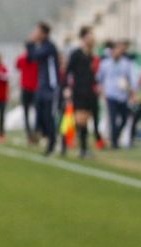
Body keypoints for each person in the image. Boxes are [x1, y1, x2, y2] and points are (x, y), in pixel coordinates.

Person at [25, 23, 62, 155]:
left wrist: (30, 43)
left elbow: (34, 56)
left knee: (50, 116)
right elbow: (30, 58)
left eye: (37, 31)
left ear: (44, 34)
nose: (35, 33)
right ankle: (43, 137)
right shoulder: (42, 47)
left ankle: (53, 143)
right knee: (40, 114)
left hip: (51, 88)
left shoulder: (49, 47)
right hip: (42, 87)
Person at [63, 27, 99, 158]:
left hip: (89, 91)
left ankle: (82, 147)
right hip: (79, 90)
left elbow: (92, 74)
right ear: (84, 38)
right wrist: (66, 87)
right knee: (80, 119)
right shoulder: (76, 54)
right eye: (90, 36)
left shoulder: (91, 56)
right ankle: (81, 148)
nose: (92, 39)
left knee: (86, 120)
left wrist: (97, 85)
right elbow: (68, 71)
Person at [97, 42, 138, 148]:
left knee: (124, 118)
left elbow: (131, 79)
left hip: (123, 96)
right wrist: (101, 89)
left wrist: (132, 93)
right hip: (111, 95)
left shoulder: (126, 64)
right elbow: (99, 78)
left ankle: (115, 136)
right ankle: (114, 142)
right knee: (113, 119)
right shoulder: (105, 63)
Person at [15, 45, 39, 144]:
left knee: (35, 112)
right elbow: (17, 66)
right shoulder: (24, 58)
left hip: (34, 88)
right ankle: (30, 133)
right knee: (28, 112)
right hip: (27, 88)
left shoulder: (33, 58)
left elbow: (17, 66)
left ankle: (35, 133)